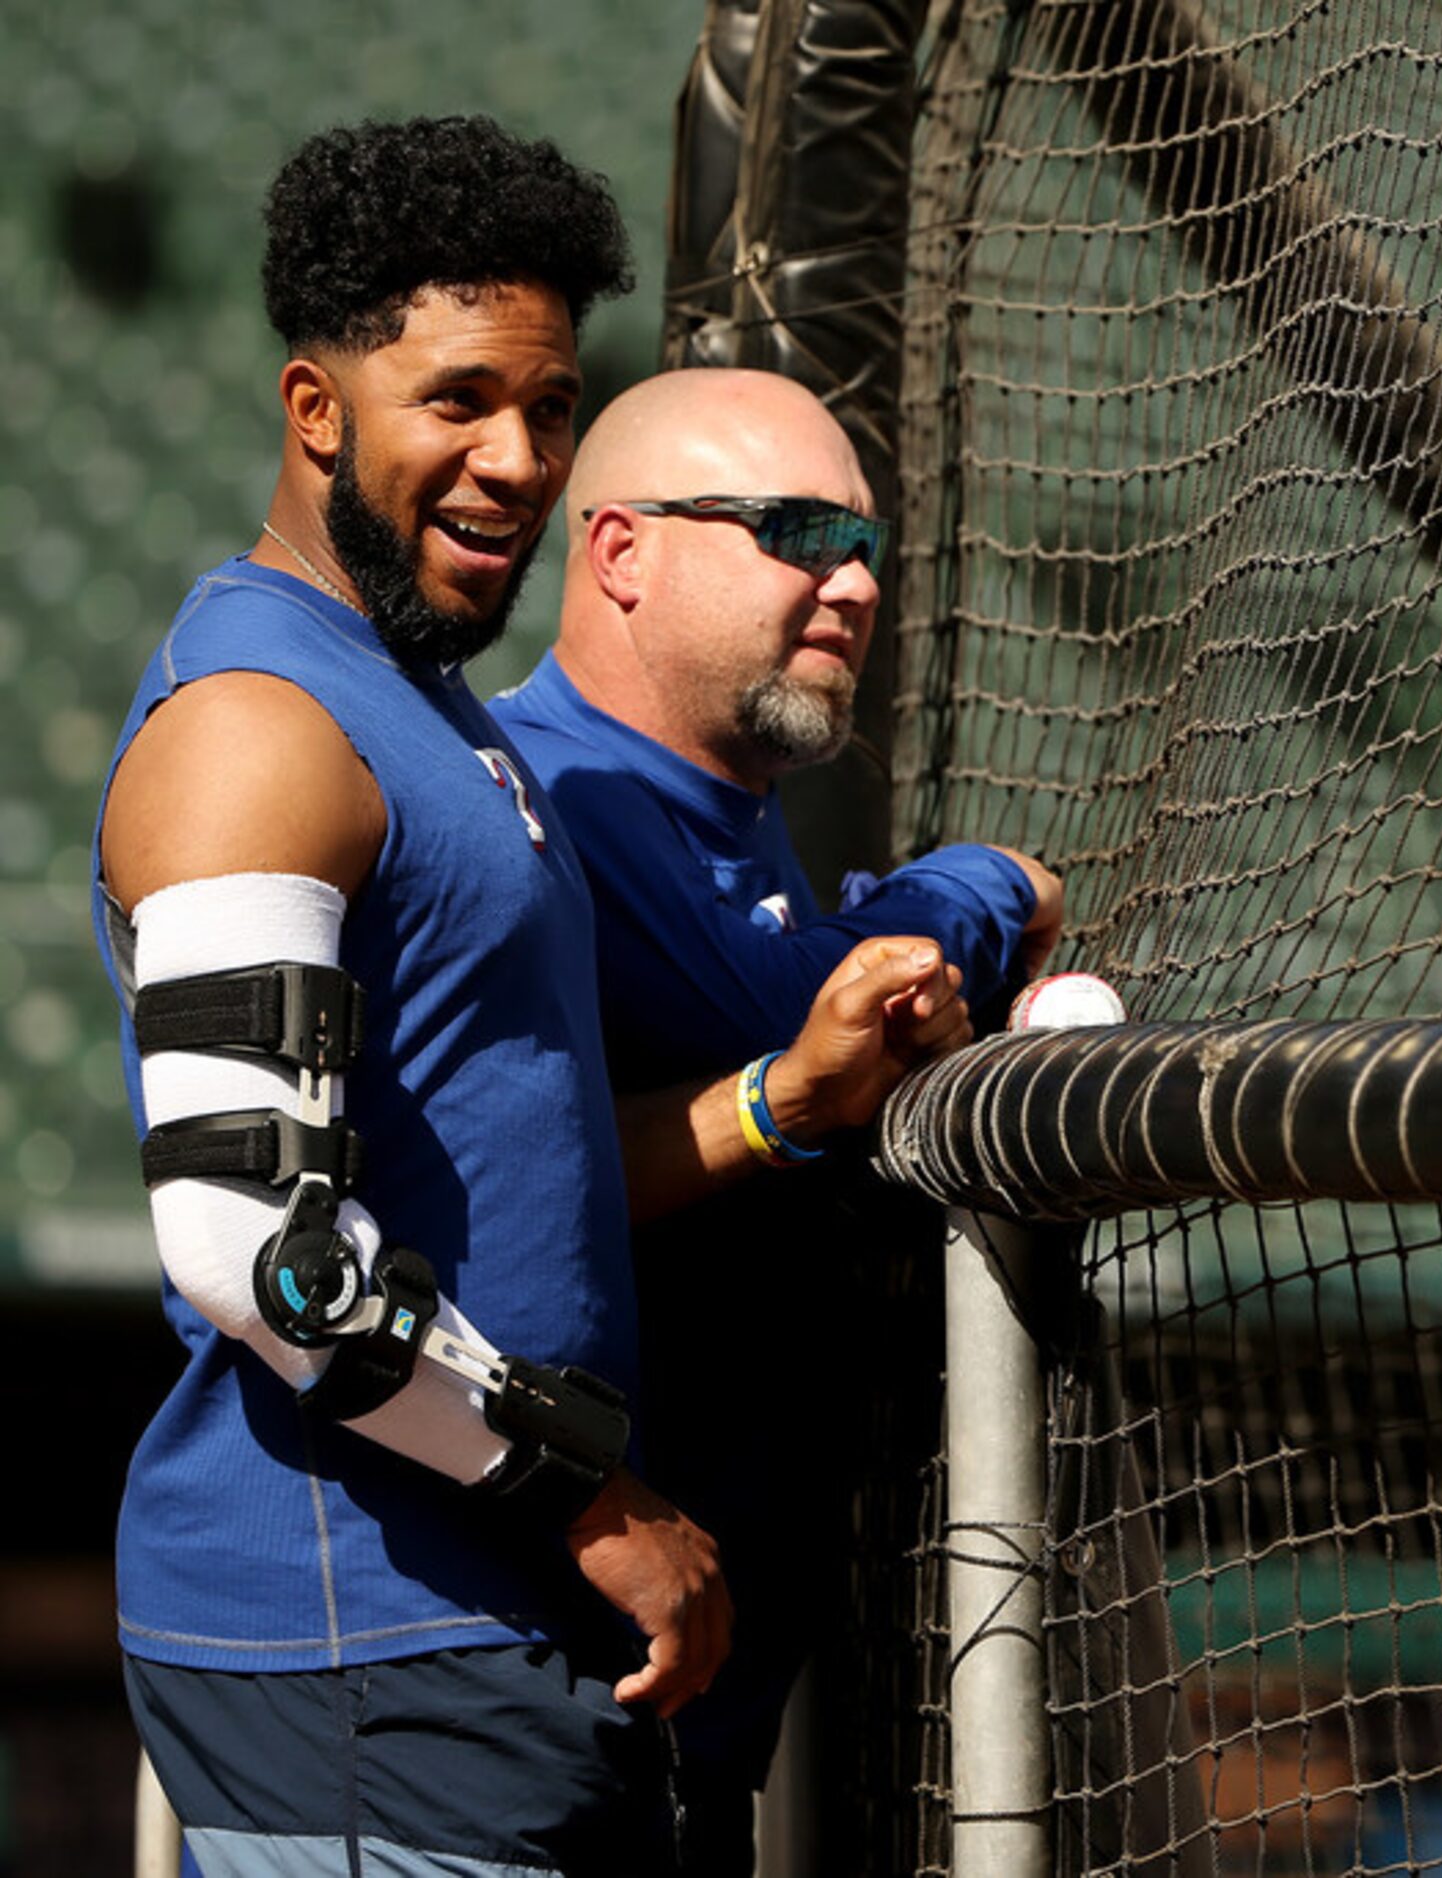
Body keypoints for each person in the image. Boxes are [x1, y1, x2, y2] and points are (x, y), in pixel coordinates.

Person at [93, 118, 969, 1873]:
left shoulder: (427, 705)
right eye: (460, 400)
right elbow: (252, 1246)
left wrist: (773, 1105)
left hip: (489, 1649)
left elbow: (524, 1167)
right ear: (318, 408)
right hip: (359, 1649)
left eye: (553, 407)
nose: (515, 459)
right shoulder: (257, 725)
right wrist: (591, 1492)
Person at [490, 366, 1062, 1869]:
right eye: (797, 531)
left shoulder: (729, 820)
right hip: (528, 1725)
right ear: (620, 550)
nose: (856, 581)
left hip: (685, 1752)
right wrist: (981, 884)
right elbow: (794, 1011)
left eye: (869, 543)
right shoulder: (546, 796)